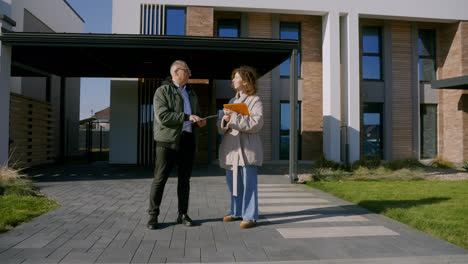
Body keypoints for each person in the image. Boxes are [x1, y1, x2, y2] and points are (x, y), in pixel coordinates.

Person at [147, 60, 206, 229]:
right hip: (167, 140)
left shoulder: (191, 93)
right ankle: (153, 216)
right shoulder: (162, 91)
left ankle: (183, 214)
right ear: (176, 72)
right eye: (187, 71)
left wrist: (199, 121)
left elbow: (197, 115)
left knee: (184, 180)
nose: (190, 74)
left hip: (187, 139)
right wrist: (187, 117)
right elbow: (163, 116)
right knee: (160, 179)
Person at [217, 66, 263, 229]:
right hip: (231, 149)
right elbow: (221, 127)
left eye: (236, 77)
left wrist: (234, 117)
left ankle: (250, 216)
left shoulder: (254, 100)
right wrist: (224, 121)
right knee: (233, 183)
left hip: (247, 149)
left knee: (249, 184)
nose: (233, 80)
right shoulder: (231, 101)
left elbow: (256, 124)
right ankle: (236, 212)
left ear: (245, 81)